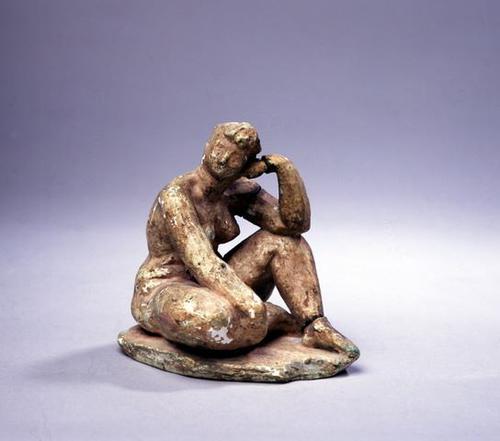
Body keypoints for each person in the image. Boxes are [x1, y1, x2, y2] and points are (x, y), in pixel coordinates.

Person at [131, 122, 359, 359]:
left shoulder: (237, 191)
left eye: (235, 156)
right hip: (166, 287)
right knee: (216, 319)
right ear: (207, 145)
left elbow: (293, 225)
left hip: (212, 284)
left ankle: (314, 325)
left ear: (247, 164)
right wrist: (251, 306)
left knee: (285, 242)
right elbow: (202, 262)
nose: (223, 158)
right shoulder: (177, 196)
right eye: (219, 147)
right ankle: (272, 319)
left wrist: (284, 168)